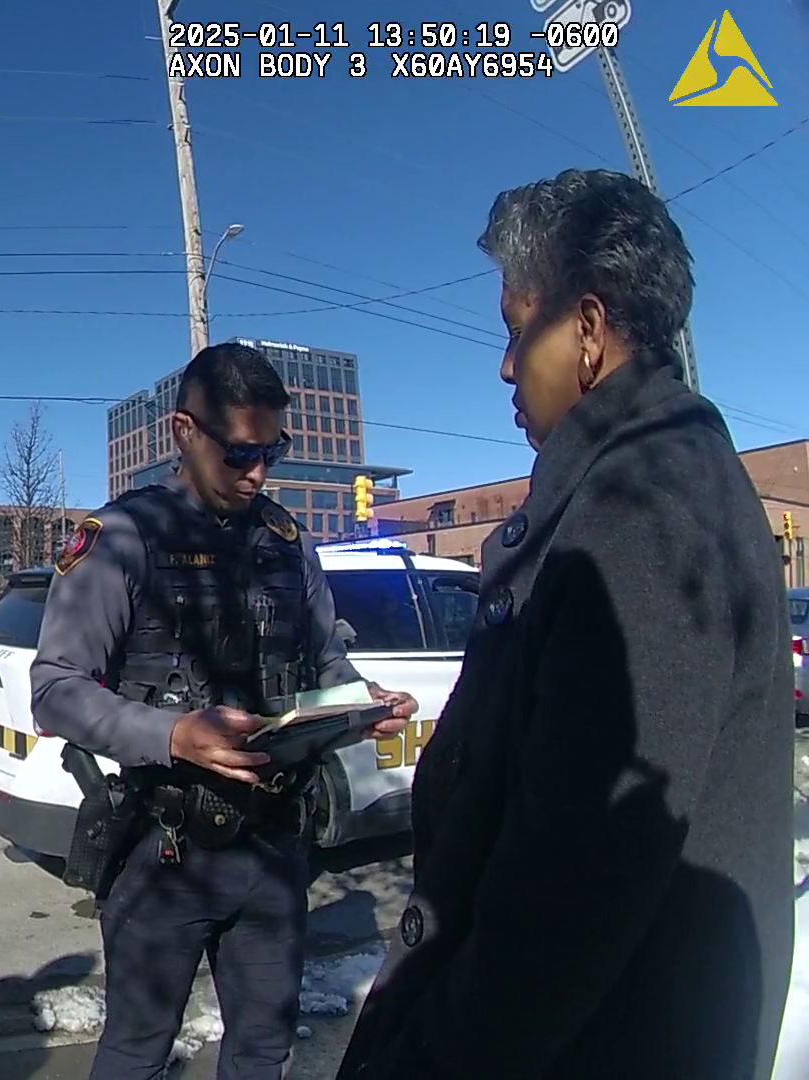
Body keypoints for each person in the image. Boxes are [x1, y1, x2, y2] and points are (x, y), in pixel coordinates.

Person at [335, 169, 795, 1080]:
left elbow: (569, 893)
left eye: (516, 331)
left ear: (586, 332)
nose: (506, 365)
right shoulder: (661, 476)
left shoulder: (640, 509)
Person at [30, 342, 419, 1080]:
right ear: (184, 432)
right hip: (163, 848)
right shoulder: (120, 540)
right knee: (138, 1052)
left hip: (272, 851)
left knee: (265, 1051)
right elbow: (55, 686)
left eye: (273, 451)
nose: (259, 474)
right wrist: (172, 733)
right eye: (240, 453)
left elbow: (322, 659)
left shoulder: (285, 542)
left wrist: (358, 702)